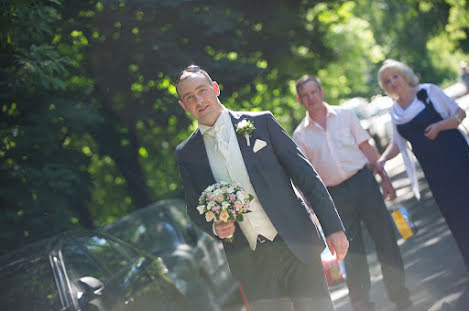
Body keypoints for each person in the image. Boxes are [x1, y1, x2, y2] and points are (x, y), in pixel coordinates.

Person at [174, 65, 349, 311]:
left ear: (215, 89)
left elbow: (306, 176)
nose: (198, 100)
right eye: (189, 97)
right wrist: (215, 226)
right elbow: (194, 207)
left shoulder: (261, 123)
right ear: (184, 106)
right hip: (250, 261)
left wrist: (333, 228)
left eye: (202, 90)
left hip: (296, 243)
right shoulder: (186, 153)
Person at [293, 75, 412, 311]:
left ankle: (401, 298)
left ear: (321, 91)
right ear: (300, 100)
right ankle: (362, 305)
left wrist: (385, 179)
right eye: (305, 95)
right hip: (334, 198)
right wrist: (312, 211)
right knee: (352, 254)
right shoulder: (300, 136)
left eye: (313, 92)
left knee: (386, 240)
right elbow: (306, 178)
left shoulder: (346, 115)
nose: (310, 98)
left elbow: (366, 148)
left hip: (363, 183)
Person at [377, 59, 469, 270]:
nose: (393, 82)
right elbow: (397, 144)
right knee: (456, 217)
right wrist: (382, 160)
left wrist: (439, 126)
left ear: (405, 75)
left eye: (395, 76)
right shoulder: (395, 112)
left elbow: (460, 114)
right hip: (435, 173)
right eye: (387, 81)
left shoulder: (428, 92)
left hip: (458, 160)